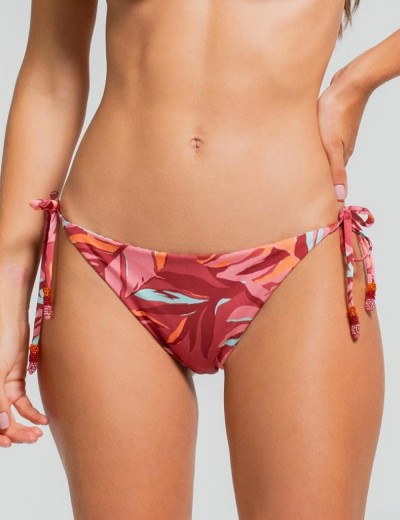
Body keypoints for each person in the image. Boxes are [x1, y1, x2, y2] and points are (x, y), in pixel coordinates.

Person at [0, 1, 397, 518]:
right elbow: (53, 71)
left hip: (297, 263)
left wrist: (357, 81)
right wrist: (7, 292)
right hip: (105, 269)